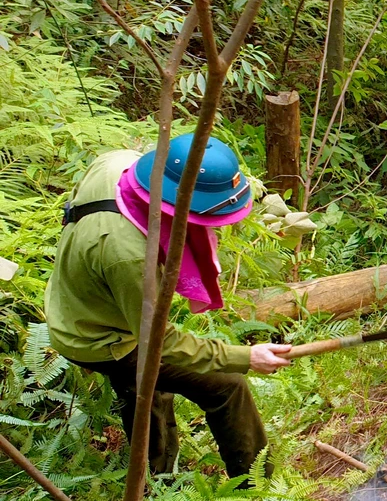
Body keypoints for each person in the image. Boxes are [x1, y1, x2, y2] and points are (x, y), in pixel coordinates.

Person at [45, 133, 292, 481]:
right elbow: (161, 342)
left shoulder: (117, 164)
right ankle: (256, 484)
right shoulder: (129, 258)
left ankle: (158, 475)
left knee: (149, 391)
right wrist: (245, 357)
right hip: (96, 339)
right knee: (226, 385)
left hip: (74, 302)